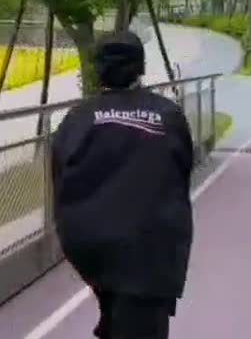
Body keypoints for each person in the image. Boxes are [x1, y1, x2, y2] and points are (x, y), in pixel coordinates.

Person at [51, 31, 194, 339]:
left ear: (98, 69)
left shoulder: (77, 119)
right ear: (141, 68)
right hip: (151, 246)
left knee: (117, 313)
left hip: (93, 246)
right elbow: (183, 171)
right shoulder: (168, 115)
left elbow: (60, 175)